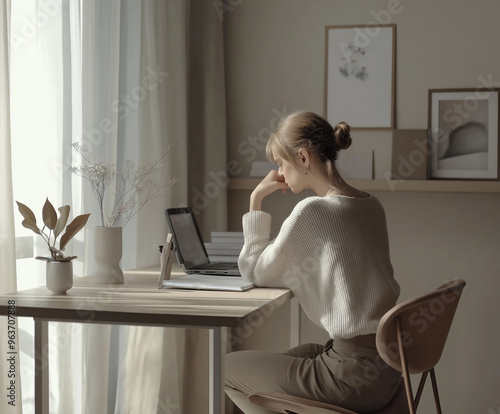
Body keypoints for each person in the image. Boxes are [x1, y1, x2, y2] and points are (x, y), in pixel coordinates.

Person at [225, 111, 402, 414]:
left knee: (224, 367)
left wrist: (255, 200)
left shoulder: (313, 211)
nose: (279, 172)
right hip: (387, 369)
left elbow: (255, 272)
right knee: (292, 356)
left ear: (304, 158)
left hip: (348, 377)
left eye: (281, 163)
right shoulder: (371, 204)